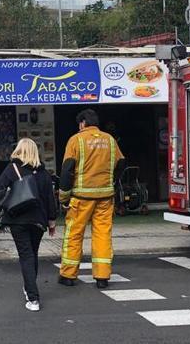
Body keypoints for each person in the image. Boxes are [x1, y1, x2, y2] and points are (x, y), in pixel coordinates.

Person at [58, 109, 125, 289]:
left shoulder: (76, 140)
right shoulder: (110, 140)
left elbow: (67, 170)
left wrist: (63, 196)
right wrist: (111, 181)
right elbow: (121, 163)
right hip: (105, 197)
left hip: (81, 198)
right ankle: (102, 277)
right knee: (102, 235)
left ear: (82, 123)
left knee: (74, 234)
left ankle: (68, 275)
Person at [0, 139, 57, 312]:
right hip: (38, 220)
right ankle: (29, 288)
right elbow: (50, 200)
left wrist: (7, 205)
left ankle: (33, 297)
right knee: (33, 254)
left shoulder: (11, 169)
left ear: (19, 150)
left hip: (17, 220)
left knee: (26, 255)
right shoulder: (44, 173)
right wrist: (52, 222)